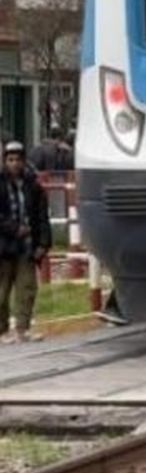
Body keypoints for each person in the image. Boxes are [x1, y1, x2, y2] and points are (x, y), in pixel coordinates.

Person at [0, 141, 51, 344]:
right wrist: (13, 228)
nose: (14, 164)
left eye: (18, 160)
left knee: (27, 288)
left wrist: (43, 244)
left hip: (27, 247)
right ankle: (2, 331)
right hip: (4, 246)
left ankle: (23, 329)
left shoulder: (33, 186)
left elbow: (41, 217)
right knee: (2, 291)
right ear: (5, 161)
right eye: (10, 160)